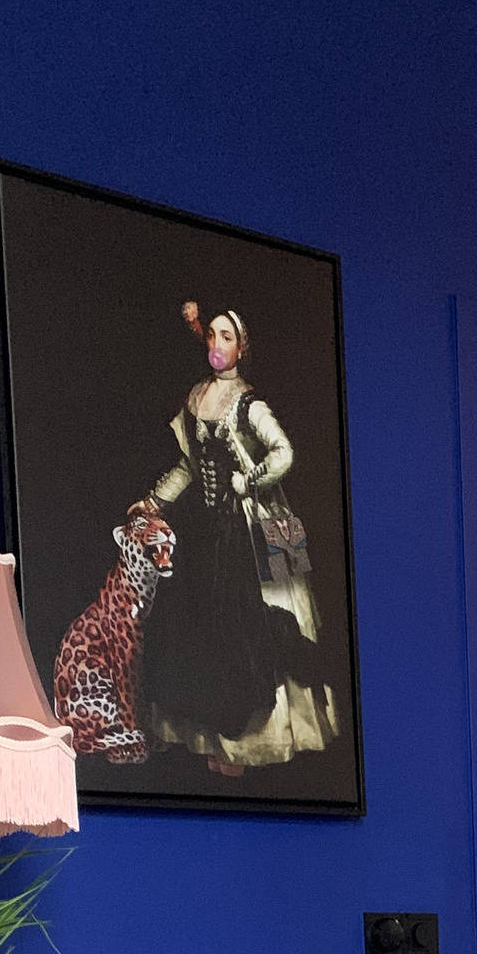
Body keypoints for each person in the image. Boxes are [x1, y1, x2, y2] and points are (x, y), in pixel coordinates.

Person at [136, 304, 336, 774]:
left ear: (241, 347)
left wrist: (249, 481)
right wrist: (153, 502)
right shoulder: (197, 397)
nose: (217, 345)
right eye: (211, 335)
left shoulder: (249, 403)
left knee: (264, 618)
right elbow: (189, 466)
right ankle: (219, 744)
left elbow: (284, 452)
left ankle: (255, 744)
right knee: (209, 629)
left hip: (255, 525)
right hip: (212, 530)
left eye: (226, 337)